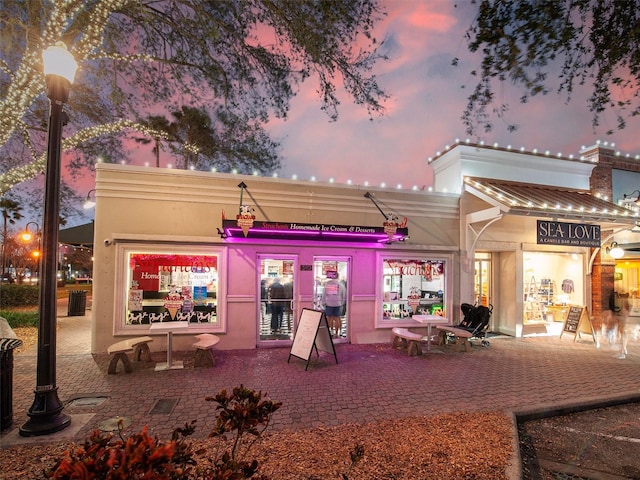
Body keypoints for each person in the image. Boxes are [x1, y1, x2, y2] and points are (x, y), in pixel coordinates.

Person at [321, 272, 347, 337]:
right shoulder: (340, 284)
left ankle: (330, 332)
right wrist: (342, 302)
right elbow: (344, 294)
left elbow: (324, 293)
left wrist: (323, 302)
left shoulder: (328, 283)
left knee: (329, 318)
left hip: (329, 303)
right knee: (337, 318)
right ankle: (337, 333)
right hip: (338, 303)